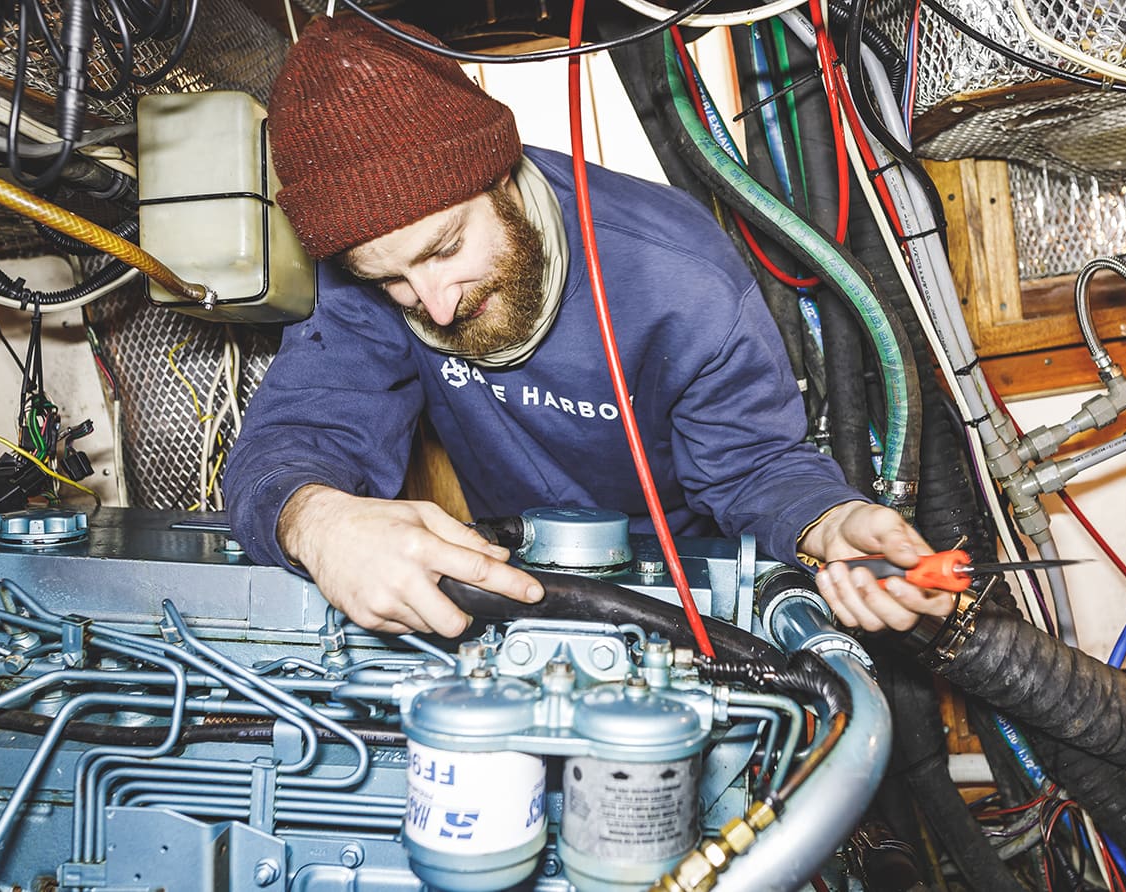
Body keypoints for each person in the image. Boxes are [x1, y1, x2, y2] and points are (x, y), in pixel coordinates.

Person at [223, 14, 953, 639]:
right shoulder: (375, 271)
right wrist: (319, 524)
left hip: (682, 590)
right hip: (516, 577)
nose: (432, 305)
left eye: (445, 250)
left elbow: (753, 465)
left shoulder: (677, 272)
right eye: (390, 280)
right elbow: (299, 437)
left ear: (500, 175)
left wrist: (826, 524)